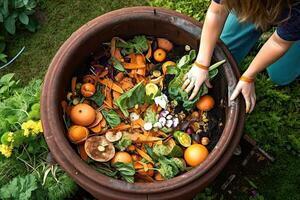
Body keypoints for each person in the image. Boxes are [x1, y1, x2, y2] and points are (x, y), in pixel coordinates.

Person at [182, 0, 300, 113]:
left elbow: (278, 43)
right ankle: (257, 16)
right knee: (225, 52)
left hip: (291, 11)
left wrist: (249, 76)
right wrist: (201, 64)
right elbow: (216, 12)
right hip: (259, 5)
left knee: (279, 75)